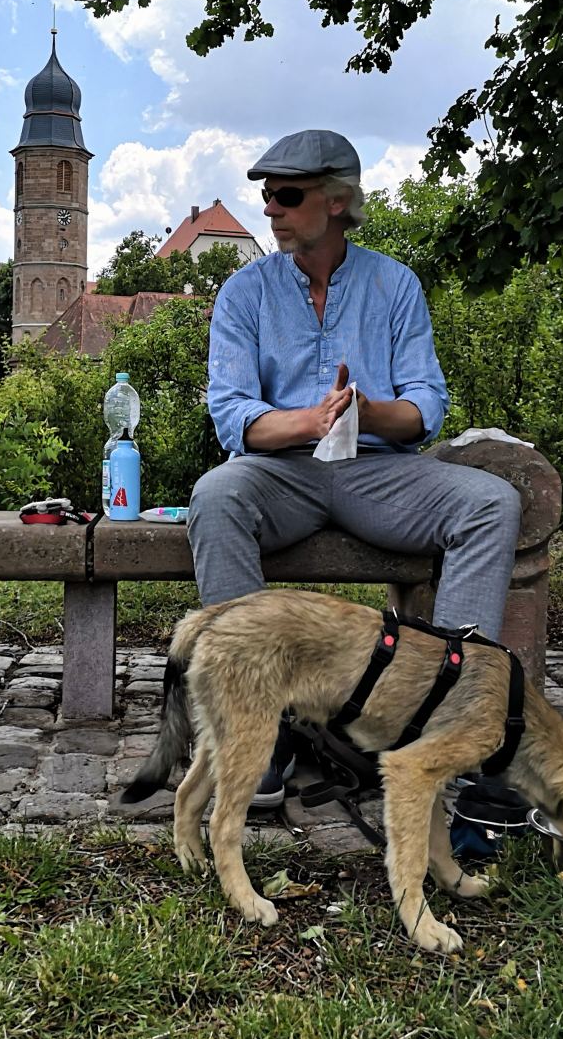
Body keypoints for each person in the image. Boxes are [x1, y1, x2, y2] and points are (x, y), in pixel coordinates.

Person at [187, 129, 522, 807]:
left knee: (491, 502)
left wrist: (366, 413)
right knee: (216, 495)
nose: (271, 210)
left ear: (337, 201)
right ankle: (263, 728)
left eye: (287, 195)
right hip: (279, 471)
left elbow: (426, 407)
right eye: (266, 196)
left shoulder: (394, 285)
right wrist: (309, 422)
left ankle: (444, 716)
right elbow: (231, 415)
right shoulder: (243, 292)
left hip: (378, 473)